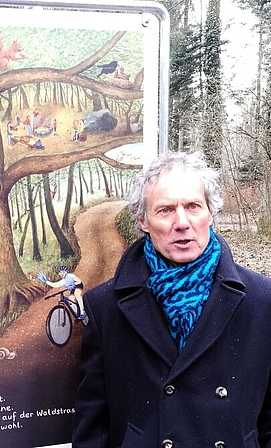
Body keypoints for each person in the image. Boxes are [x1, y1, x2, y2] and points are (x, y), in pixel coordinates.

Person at [72, 151, 271, 447]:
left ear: (210, 213)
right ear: (143, 221)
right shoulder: (105, 307)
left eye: (193, 206)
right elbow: (92, 426)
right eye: (165, 210)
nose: (182, 223)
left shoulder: (261, 300)